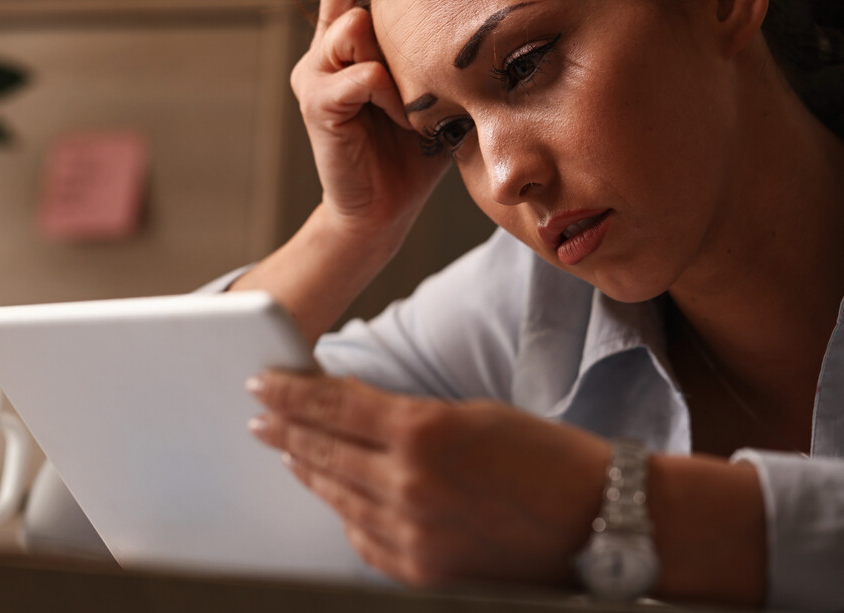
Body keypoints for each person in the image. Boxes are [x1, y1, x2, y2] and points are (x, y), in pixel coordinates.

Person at [208, 0, 844, 609]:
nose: (504, 174)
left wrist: (615, 510)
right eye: (448, 133)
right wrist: (348, 227)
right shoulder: (527, 302)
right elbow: (151, 480)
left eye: (525, 64)